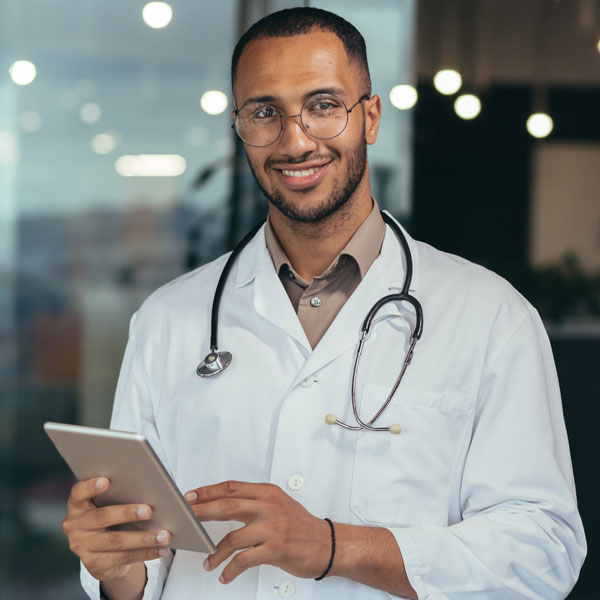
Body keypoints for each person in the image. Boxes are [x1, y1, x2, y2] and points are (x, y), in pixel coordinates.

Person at [61, 7, 586, 600]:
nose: (295, 139)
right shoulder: (167, 320)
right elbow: (144, 568)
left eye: (323, 105)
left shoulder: (493, 318)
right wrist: (114, 565)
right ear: (239, 127)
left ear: (370, 116)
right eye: (265, 112)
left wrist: (334, 546)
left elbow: (543, 552)